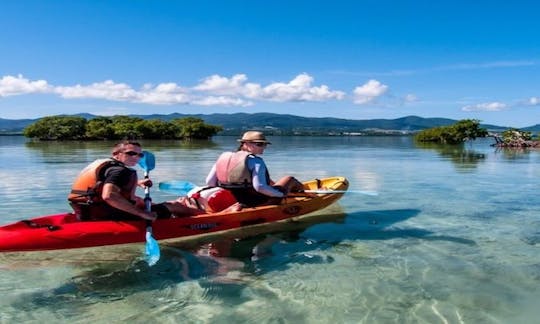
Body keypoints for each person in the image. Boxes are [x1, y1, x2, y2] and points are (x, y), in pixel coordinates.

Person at [68, 140, 204, 221]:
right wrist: (142, 214)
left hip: (87, 212)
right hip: (107, 214)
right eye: (131, 153)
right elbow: (109, 196)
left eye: (140, 155)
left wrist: (137, 183)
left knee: (145, 202)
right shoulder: (120, 171)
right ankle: (210, 218)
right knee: (173, 205)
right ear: (116, 154)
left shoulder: (107, 165)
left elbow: (101, 184)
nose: (136, 157)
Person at [205, 131, 305, 207]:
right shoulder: (256, 161)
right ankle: (304, 192)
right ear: (245, 144)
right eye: (259, 144)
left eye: (264, 144)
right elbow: (260, 187)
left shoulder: (223, 157)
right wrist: (281, 195)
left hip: (232, 201)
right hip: (255, 201)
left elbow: (210, 182)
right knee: (290, 179)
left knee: (270, 182)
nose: (263, 147)